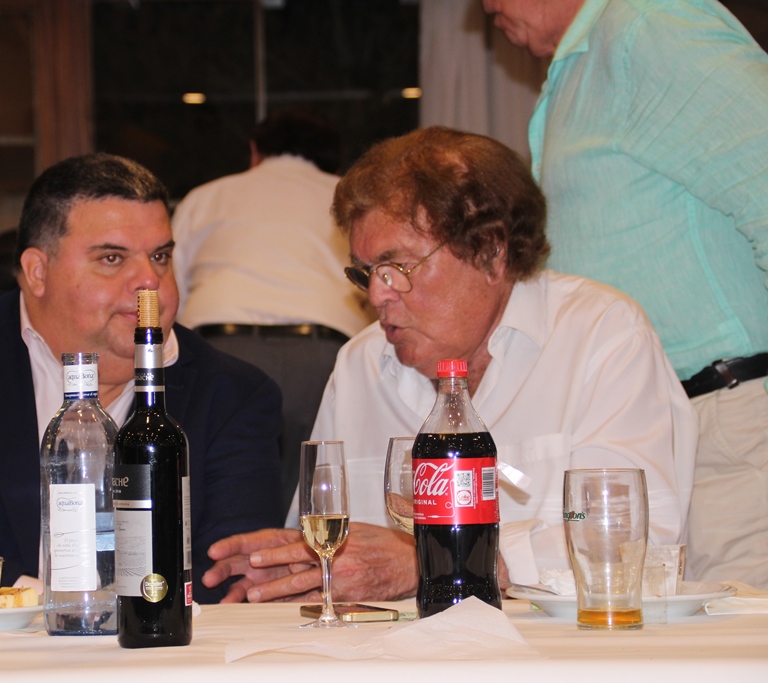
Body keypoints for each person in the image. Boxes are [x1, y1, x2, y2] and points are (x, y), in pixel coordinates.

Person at [201, 126, 697, 604]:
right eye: (367, 272)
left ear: (490, 252)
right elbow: (325, 545)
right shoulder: (360, 365)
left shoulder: (600, 335)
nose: (376, 295)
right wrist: (294, 568)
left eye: (398, 268)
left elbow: (635, 541)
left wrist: (432, 562)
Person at [0, 153, 283, 605]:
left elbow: (227, 579)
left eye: (160, 256)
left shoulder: (234, 396)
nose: (150, 281)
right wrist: (36, 603)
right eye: (113, 258)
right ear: (38, 272)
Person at [483, 0, 768, 588]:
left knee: (742, 637)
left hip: (731, 422)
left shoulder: (651, 27)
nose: (483, 7)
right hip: (671, 428)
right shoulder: (586, 61)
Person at [172, 108, 374, 519]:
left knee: (220, 490)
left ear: (254, 150)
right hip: (321, 352)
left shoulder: (207, 196)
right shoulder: (347, 199)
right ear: (335, 159)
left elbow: (171, 285)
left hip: (223, 349)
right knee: (312, 497)